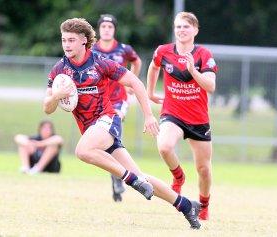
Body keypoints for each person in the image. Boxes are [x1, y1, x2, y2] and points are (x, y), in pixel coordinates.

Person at [43, 17, 202, 229]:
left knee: (82, 151)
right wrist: (56, 96)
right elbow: (47, 108)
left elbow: (135, 82)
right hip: (91, 130)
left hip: (107, 120)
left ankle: (128, 180)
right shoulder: (59, 70)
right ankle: (185, 205)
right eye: (64, 40)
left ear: (83, 41)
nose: (66, 45)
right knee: (141, 177)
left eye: (71, 40)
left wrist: (148, 115)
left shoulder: (100, 62)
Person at [147, 12, 218, 221]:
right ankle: (178, 176)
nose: (181, 30)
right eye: (178, 27)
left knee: (204, 169)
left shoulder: (203, 54)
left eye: (186, 27)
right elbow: (153, 67)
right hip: (173, 113)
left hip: (198, 119)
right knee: (164, 146)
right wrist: (150, 92)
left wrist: (193, 71)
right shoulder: (163, 51)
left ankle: (204, 204)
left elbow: (211, 86)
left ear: (195, 30)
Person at [92, 14, 142, 202]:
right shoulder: (91, 49)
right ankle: (117, 176)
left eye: (110, 26)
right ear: (98, 29)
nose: (106, 29)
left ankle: (119, 177)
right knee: (107, 143)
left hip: (119, 101)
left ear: (114, 30)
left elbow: (136, 62)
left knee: (114, 134)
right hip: (98, 102)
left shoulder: (123, 49)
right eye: (103, 26)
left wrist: (131, 82)